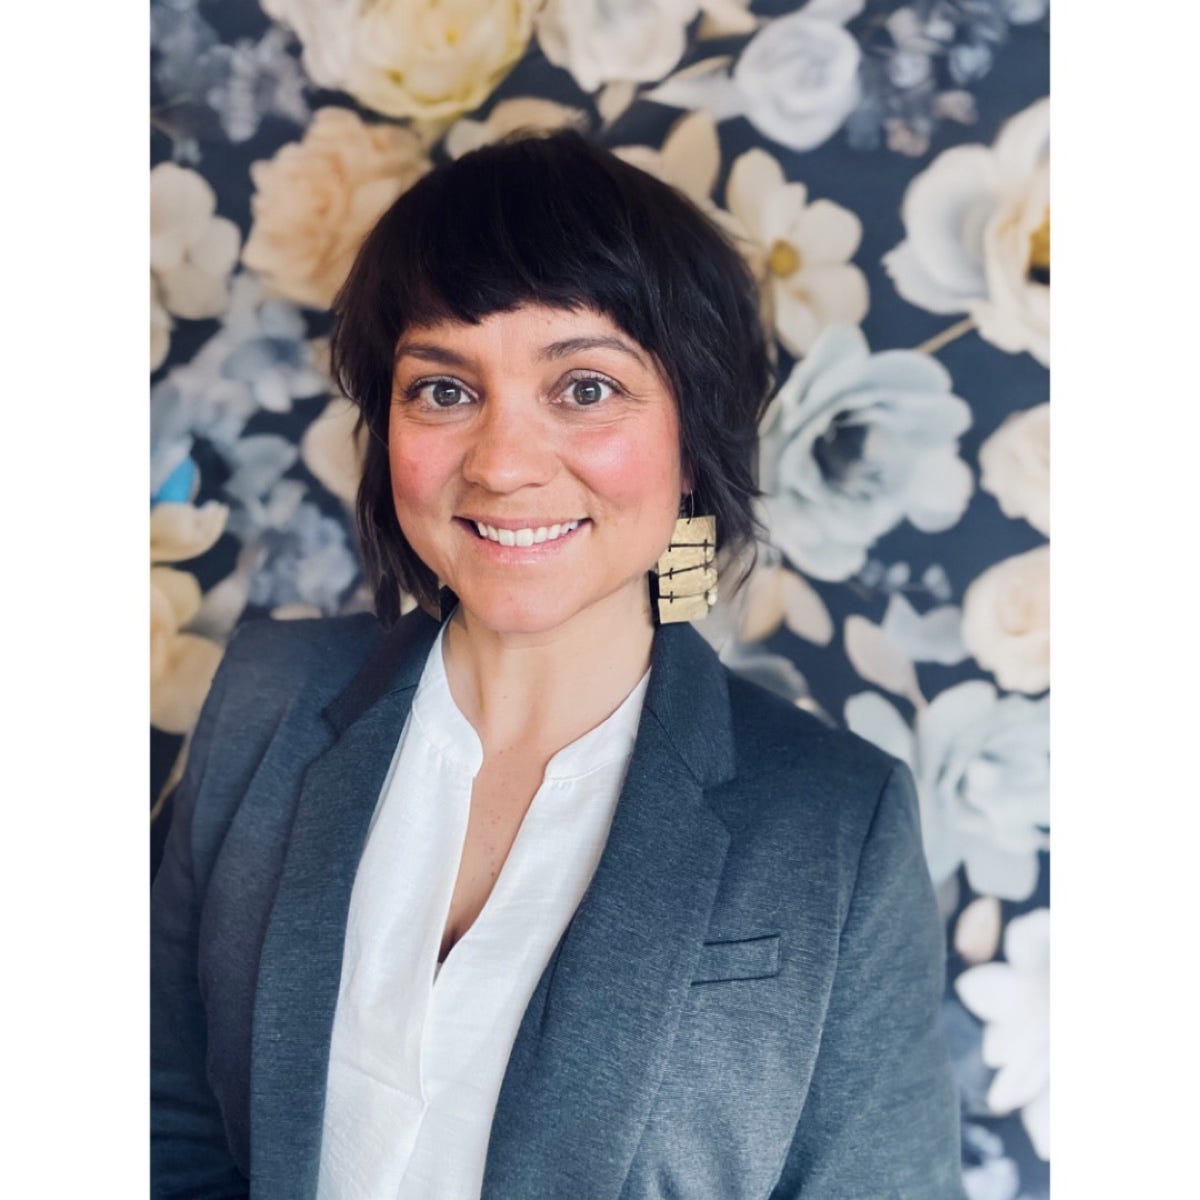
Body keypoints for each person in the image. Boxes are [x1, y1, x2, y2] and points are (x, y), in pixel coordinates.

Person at [151, 131, 964, 1200]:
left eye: (584, 387)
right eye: (444, 391)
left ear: (694, 434)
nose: (502, 464)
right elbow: (157, 1120)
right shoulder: (266, 696)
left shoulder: (835, 825)